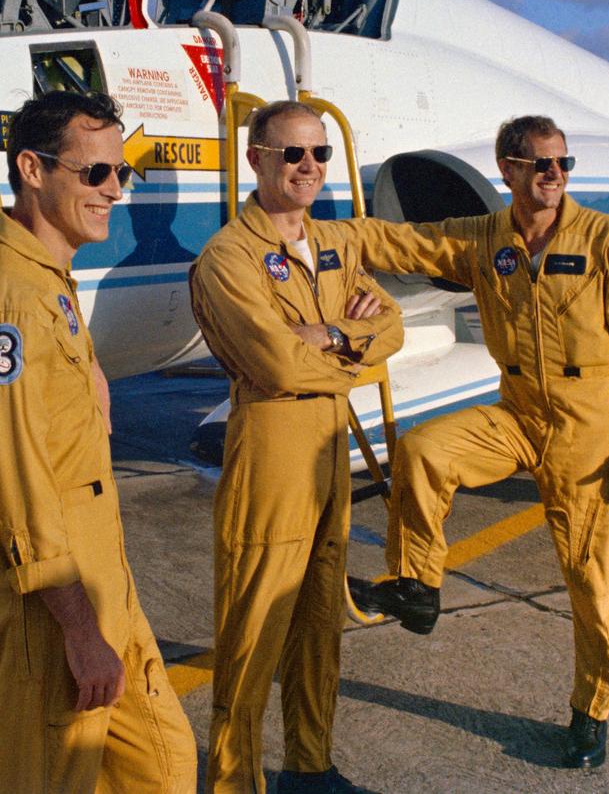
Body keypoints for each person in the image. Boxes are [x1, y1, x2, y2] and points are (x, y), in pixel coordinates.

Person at [348, 115, 609, 769]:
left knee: (593, 584)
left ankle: (592, 708)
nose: (555, 175)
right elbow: (405, 243)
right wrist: (308, 231)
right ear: (510, 170)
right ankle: (417, 586)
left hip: (591, 425)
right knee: (424, 449)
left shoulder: (602, 237)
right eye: (541, 164)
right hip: (519, 410)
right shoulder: (486, 239)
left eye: (563, 164)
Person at [0, 91, 196, 793]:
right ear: (31, 168)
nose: (113, 190)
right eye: (93, 174)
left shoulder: (46, 283)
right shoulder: (6, 303)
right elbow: (15, 481)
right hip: (50, 594)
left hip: (100, 569)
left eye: (120, 174)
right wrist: (79, 628)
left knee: (163, 765)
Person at [189, 100, 404, 793]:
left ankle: (309, 769)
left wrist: (334, 336)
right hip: (272, 446)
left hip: (327, 449)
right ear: (257, 159)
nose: (308, 167)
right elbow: (276, 366)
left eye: (319, 155)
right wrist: (349, 344)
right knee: (253, 633)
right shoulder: (229, 257)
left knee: (319, 622)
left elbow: (391, 326)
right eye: (293, 154)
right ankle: (233, 780)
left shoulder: (331, 246)